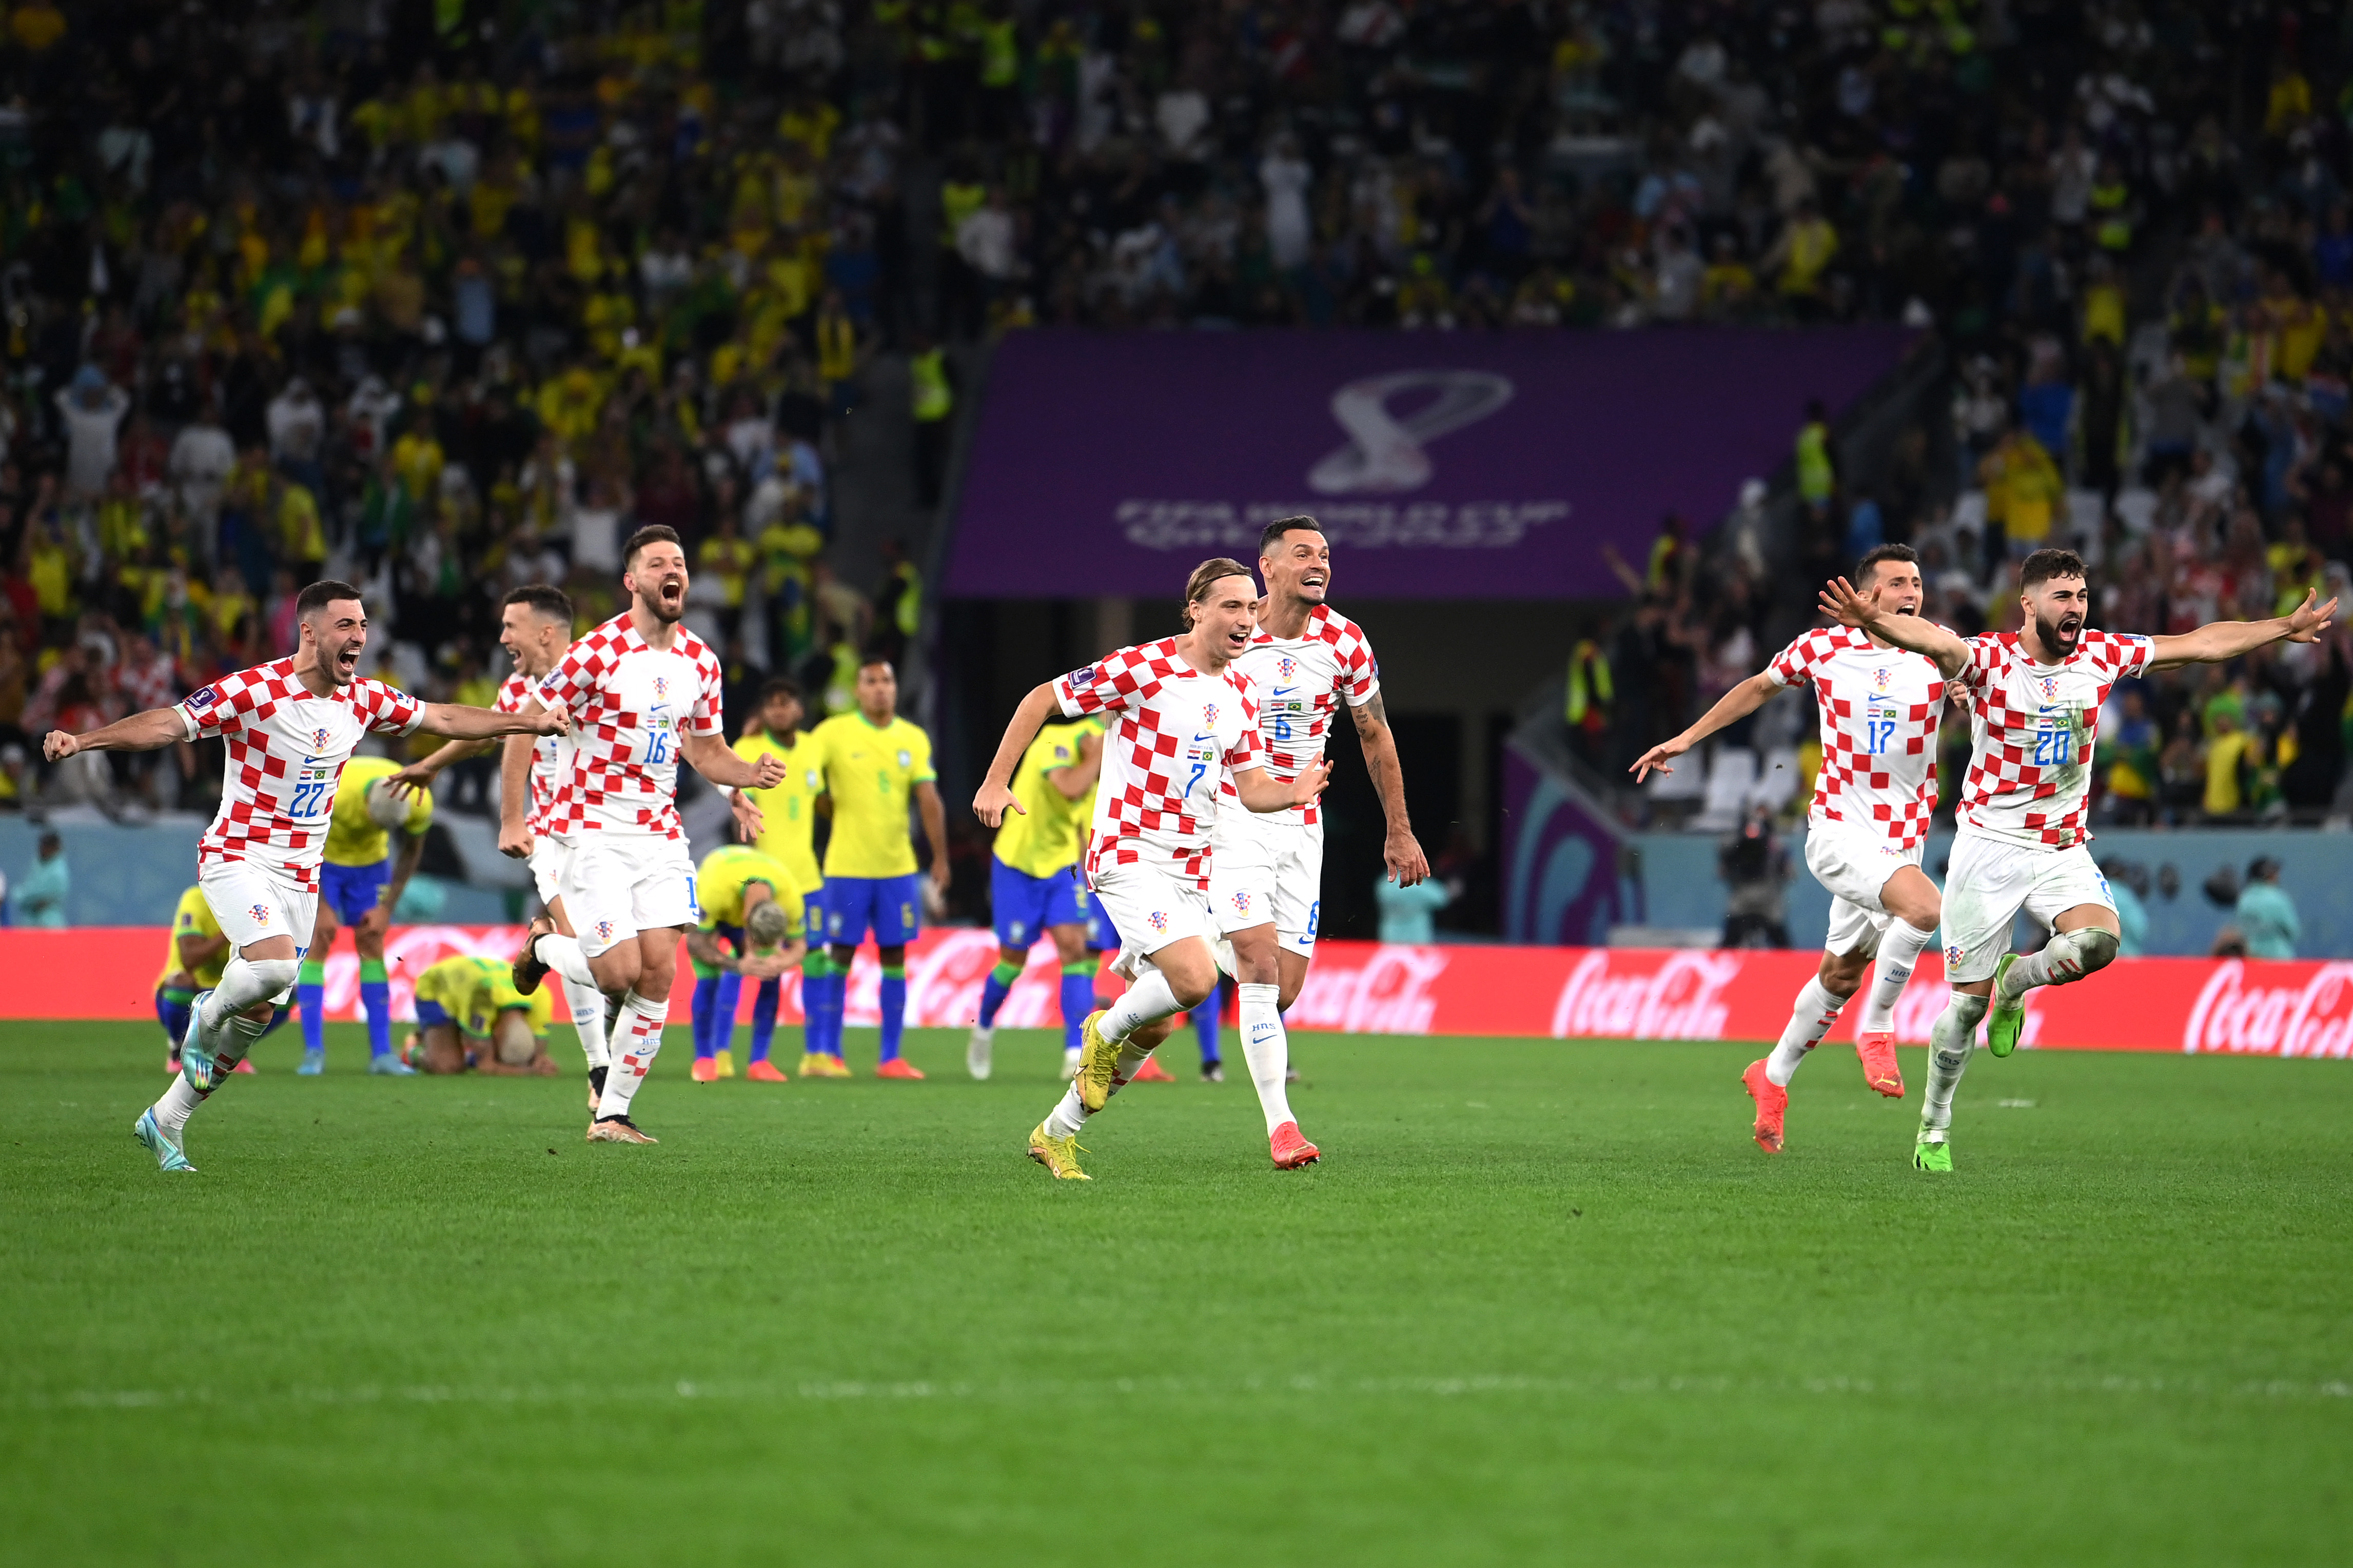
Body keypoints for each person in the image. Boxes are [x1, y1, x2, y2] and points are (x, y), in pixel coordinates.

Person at [1820, 550, 2337, 1172]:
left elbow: (2200, 643)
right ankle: (1934, 1127)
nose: (2076, 609)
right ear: (2029, 604)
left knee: (2098, 943)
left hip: (2061, 845)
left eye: (2082, 597)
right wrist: (1870, 620)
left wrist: (2280, 627)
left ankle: (2018, 981)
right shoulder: (1988, 659)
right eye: (2063, 598)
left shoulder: (2100, 654)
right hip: (1988, 849)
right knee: (1964, 1007)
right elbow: (1928, 636)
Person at [40, 579, 567, 1173]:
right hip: (238, 855)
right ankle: (205, 1012)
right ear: (309, 632)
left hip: (299, 877)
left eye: (364, 626)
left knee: (263, 1011)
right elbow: (170, 724)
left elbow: (442, 716)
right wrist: (85, 740)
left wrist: (526, 724)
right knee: (271, 968)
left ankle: (166, 1121)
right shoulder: (254, 692)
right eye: (346, 626)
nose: (359, 638)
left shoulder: (362, 699)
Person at [973, 559, 1332, 1180]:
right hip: (1128, 850)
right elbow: (1042, 699)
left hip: (1193, 868)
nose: (1246, 620)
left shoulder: (1241, 690)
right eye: (1231, 607)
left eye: (1251, 608)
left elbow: (1249, 787)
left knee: (1160, 1025)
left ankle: (1055, 1133)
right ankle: (1101, 1030)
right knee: (1193, 979)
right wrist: (995, 781)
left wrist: (1294, 791)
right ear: (1194, 609)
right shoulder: (1142, 668)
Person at [1634, 544, 1953, 1153]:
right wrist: (1685, 738)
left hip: (1898, 844)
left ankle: (1771, 1078)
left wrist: (1966, 695)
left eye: (1915, 581)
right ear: (1867, 595)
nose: (1910, 591)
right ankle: (1879, 1029)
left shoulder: (1939, 650)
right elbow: (1756, 688)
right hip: (1838, 833)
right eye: (1895, 583)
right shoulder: (1823, 649)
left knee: (1838, 973)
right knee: (1924, 911)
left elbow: (1977, 685)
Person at [500, 527, 787, 1144]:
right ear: (633, 581)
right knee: (615, 975)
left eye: (679, 562)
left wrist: (747, 777)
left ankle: (613, 1115)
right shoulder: (596, 654)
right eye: (657, 563)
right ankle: (543, 948)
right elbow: (526, 722)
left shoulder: (701, 662)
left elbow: (707, 750)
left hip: (659, 833)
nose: (672, 570)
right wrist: (512, 817)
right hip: (591, 830)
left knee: (659, 975)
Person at [397, 586, 613, 1107]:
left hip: (617, 836)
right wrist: (432, 764)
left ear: (545, 631)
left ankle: (542, 948)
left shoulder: (604, 678)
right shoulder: (518, 690)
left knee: (619, 964)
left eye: (510, 626)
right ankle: (601, 1069)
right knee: (588, 945)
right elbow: (484, 735)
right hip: (553, 840)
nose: (502, 638)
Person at [801, 655, 948, 1078]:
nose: (881, 687)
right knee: (841, 954)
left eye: (887, 680)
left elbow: (928, 799)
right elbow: (809, 784)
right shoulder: (832, 732)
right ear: (858, 690)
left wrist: (939, 856)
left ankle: (891, 1057)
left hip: (897, 868)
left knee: (895, 955)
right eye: (872, 681)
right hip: (846, 866)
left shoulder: (913, 738)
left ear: (895, 688)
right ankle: (827, 1053)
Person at [965, 713, 1103, 1081]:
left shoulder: (1106, 759)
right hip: (1017, 863)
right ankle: (984, 1028)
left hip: (1060, 867)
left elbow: (1087, 824)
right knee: (1012, 961)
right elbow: (1069, 788)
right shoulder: (1055, 739)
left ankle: (1075, 1052)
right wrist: (1098, 755)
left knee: (1074, 948)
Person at [724, 678, 837, 1077]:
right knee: (763, 965)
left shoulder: (813, 748)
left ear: (799, 709)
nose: (779, 710)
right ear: (763, 711)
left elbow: (821, 799)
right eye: (771, 704)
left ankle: (817, 1055)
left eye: (786, 703)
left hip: (808, 878)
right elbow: (732, 792)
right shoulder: (748, 748)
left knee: (818, 962)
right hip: (763, 879)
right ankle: (752, 1058)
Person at [295, 757, 433, 1075]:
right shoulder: (335, 790)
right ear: (366, 804)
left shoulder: (420, 800)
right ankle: (313, 1052)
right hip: (323, 862)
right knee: (320, 940)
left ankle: (382, 1055)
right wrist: (322, 906)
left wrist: (387, 908)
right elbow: (301, 846)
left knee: (372, 943)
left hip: (372, 867)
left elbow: (412, 850)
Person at [685, 844, 807, 1081]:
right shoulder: (715, 891)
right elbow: (695, 944)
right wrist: (737, 965)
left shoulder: (790, 898)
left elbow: (800, 945)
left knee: (770, 972)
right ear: (746, 922)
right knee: (708, 973)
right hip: (718, 880)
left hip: (752, 885)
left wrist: (782, 962)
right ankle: (705, 1059)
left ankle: (759, 1061)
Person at [155, 882, 278, 1077]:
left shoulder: (256, 903)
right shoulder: (196, 899)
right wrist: (231, 930)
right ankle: (179, 1049)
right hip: (192, 988)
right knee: (180, 985)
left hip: (232, 989)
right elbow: (189, 959)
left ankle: (234, 1049)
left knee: (284, 991)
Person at [401, 955, 558, 1076]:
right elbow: (486, 1067)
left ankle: (464, 1049)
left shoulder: (542, 996)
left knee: (490, 1049)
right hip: (437, 988)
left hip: (472, 986)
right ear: (495, 1033)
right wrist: (530, 1072)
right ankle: (411, 1051)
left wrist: (539, 1061)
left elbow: (538, 1054)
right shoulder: (483, 998)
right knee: (448, 1066)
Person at [2235, 857, 2300, 958]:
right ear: (2269, 875)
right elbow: (2293, 931)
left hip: (2251, 958)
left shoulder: (2243, 900)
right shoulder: (2278, 898)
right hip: (2279, 959)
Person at [1376, 868, 1455, 943]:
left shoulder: (1384, 885)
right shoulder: (1418, 884)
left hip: (1390, 937)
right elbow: (1442, 898)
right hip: (1417, 939)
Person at [13, 830, 67, 927]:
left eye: (46, 846)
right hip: (30, 925)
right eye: (42, 845)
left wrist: (24, 896)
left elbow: (39, 898)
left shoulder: (58, 871)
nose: (42, 849)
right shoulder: (38, 864)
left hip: (48, 925)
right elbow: (23, 894)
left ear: (54, 848)